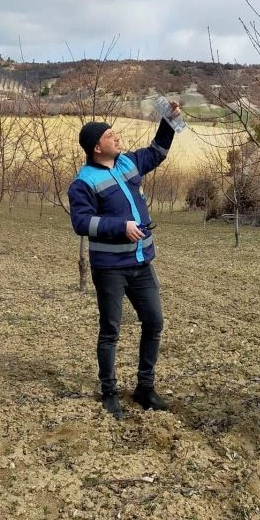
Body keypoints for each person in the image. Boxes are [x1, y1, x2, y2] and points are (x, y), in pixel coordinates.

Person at [67, 103, 181, 419]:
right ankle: (109, 392)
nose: (117, 138)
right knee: (111, 331)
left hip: (142, 261)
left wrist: (169, 121)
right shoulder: (83, 182)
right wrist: (121, 227)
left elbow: (157, 152)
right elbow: (81, 222)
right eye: (110, 135)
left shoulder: (127, 163)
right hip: (110, 269)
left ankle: (145, 388)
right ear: (96, 147)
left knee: (154, 321)